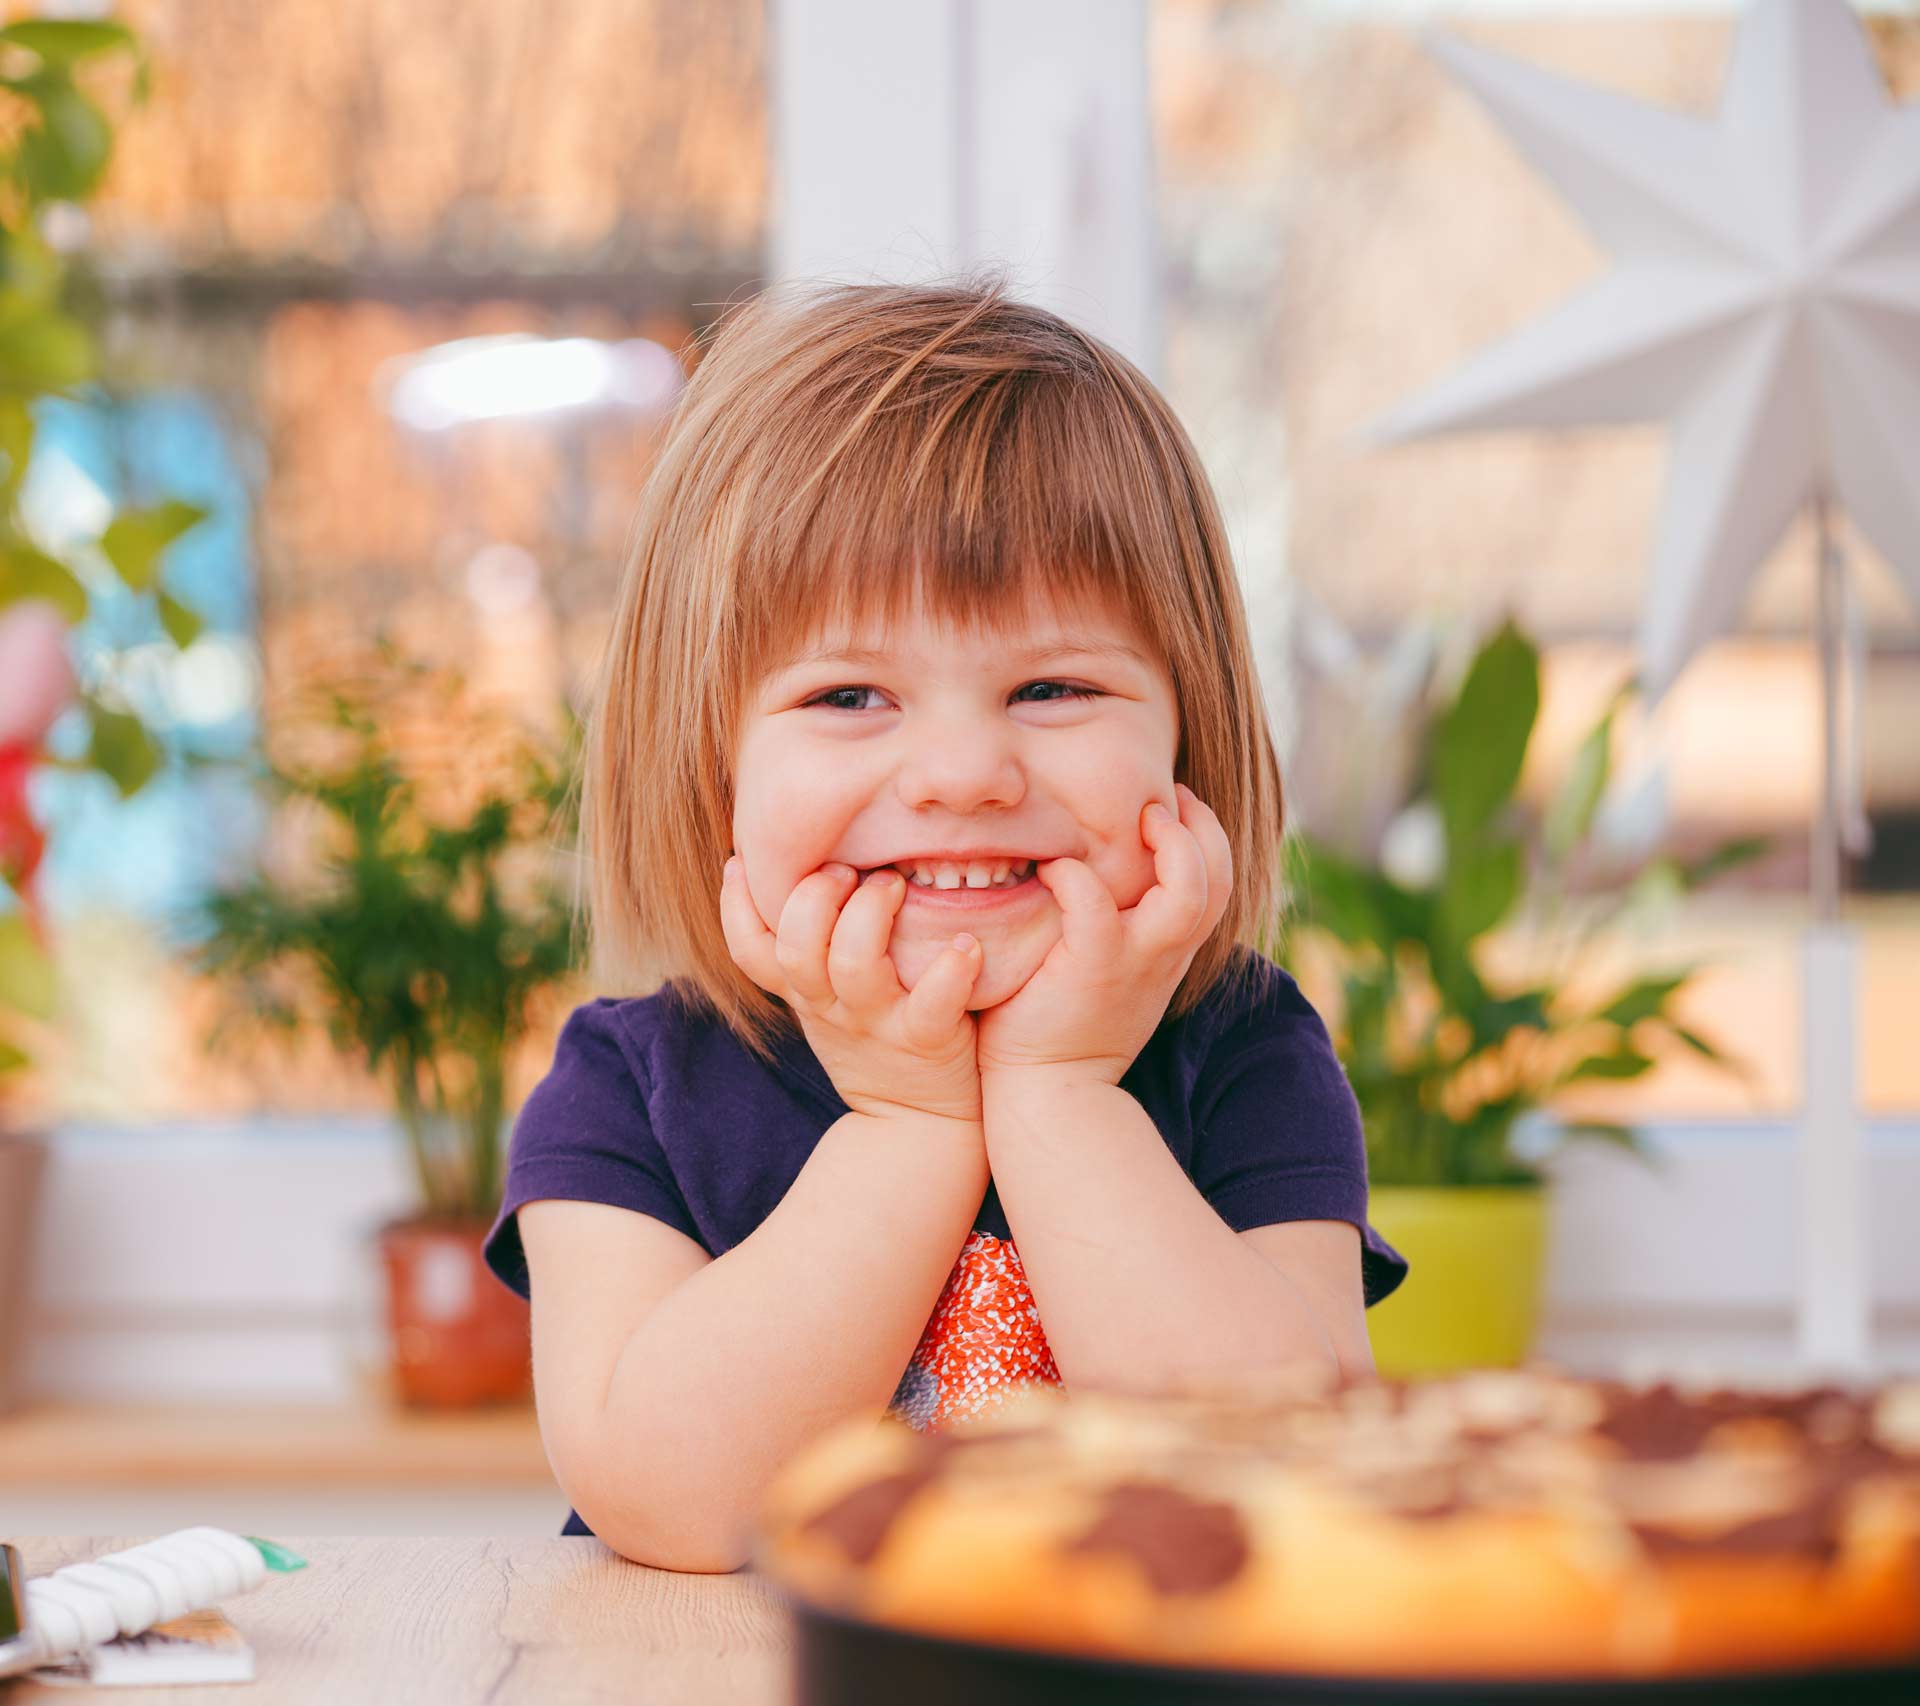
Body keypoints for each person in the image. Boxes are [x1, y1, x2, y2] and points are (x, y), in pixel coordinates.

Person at [482, 272, 1408, 1572]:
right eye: (852, 694)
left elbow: (1285, 1480)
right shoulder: (628, 1085)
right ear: (711, 769)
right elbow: (671, 1501)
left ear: (1188, 739)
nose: (963, 771)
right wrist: (910, 1122)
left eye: (1052, 684)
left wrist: (1061, 1094)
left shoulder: (1244, 1049)